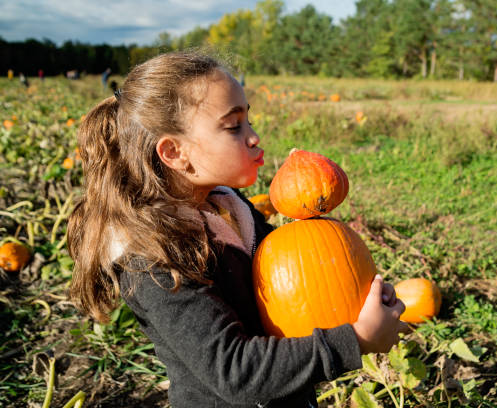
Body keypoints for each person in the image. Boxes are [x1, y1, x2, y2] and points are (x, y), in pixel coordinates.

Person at [66, 51, 408, 408]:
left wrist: (355, 293)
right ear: (174, 152)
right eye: (234, 126)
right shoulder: (153, 257)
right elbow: (235, 371)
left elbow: (296, 289)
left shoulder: (232, 207)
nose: (254, 137)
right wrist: (356, 339)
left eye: (250, 121)